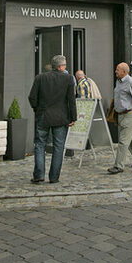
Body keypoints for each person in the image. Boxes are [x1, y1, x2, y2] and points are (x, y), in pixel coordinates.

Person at [28, 54, 77, 184]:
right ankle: (54, 177)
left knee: (39, 145)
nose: (66, 66)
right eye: (65, 64)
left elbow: (32, 97)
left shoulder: (40, 78)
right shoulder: (68, 79)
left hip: (43, 115)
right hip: (61, 117)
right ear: (61, 66)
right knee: (59, 147)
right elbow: (71, 100)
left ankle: (39, 175)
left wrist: (37, 110)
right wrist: (73, 117)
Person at [108, 62, 132, 174]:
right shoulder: (118, 82)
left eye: (117, 70)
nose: (115, 71)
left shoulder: (131, 82)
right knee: (130, 139)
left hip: (129, 114)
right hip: (120, 115)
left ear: (124, 72)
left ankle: (118, 166)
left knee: (123, 141)